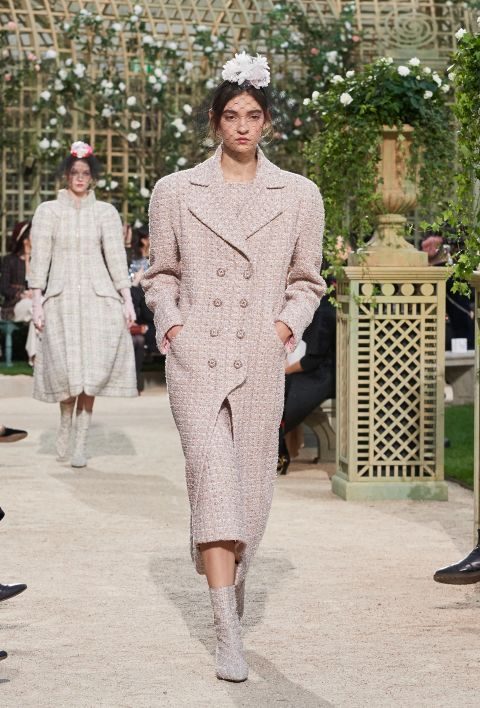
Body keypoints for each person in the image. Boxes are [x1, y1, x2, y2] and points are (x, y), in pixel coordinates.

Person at [142, 52, 325, 682]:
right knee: (214, 481)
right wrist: (173, 324)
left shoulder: (299, 194)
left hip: (259, 358)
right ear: (215, 121)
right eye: (230, 116)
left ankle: (232, 594)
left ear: (267, 122)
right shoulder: (175, 190)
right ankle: (226, 631)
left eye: (252, 116)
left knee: (249, 498)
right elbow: (161, 274)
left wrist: (283, 329)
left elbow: (307, 281)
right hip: (198, 359)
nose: (241, 126)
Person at [29, 141, 137, 468]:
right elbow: (40, 258)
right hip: (61, 298)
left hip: (97, 298)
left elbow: (116, 258)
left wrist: (127, 299)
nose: (79, 178)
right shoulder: (48, 211)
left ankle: (81, 442)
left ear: (92, 177)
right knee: (66, 369)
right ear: (66, 174)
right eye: (74, 172)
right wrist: (37, 301)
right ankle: (65, 423)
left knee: (90, 371)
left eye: (85, 173)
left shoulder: (105, 212)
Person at [278, 292, 336, 474]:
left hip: (321, 377)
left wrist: (285, 370)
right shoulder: (319, 308)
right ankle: (279, 454)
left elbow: (313, 359)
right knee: (277, 397)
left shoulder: (323, 311)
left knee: (282, 405)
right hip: (311, 373)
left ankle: (279, 456)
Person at [0, 221, 38, 364]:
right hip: (14, 306)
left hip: (34, 304)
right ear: (25, 239)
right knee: (35, 307)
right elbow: (3, 288)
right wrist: (21, 294)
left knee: (40, 311)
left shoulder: (37, 261)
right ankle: (34, 356)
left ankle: (35, 355)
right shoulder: (9, 260)